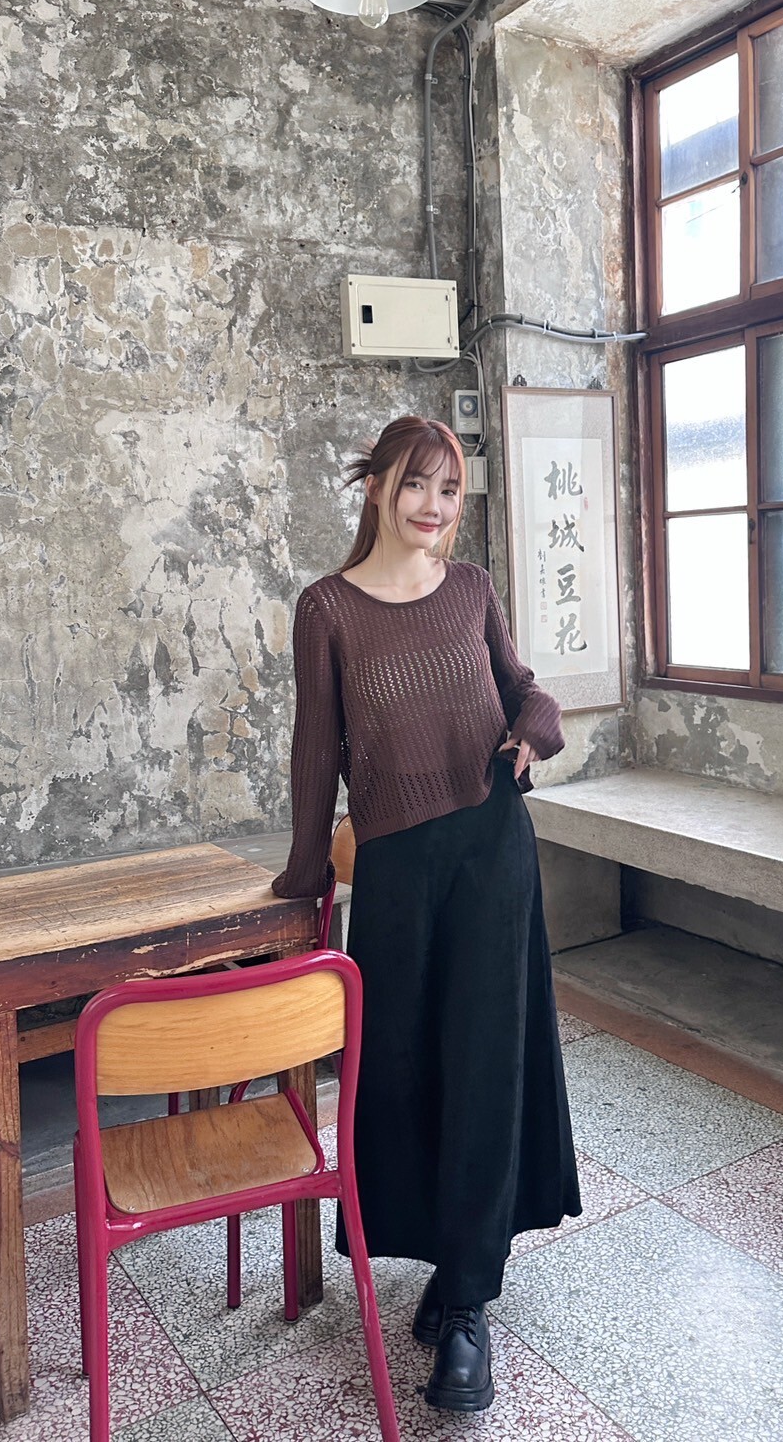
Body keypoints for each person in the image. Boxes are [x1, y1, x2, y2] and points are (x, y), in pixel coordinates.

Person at [271, 414, 581, 1412]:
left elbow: (524, 690)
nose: (434, 506)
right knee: (401, 1064)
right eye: (416, 483)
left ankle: (467, 1300)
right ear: (375, 486)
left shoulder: (472, 588)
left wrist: (536, 727)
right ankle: (446, 1263)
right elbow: (316, 751)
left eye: (449, 489)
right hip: (397, 865)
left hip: (492, 849)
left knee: (486, 1062)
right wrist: (302, 876)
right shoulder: (327, 608)